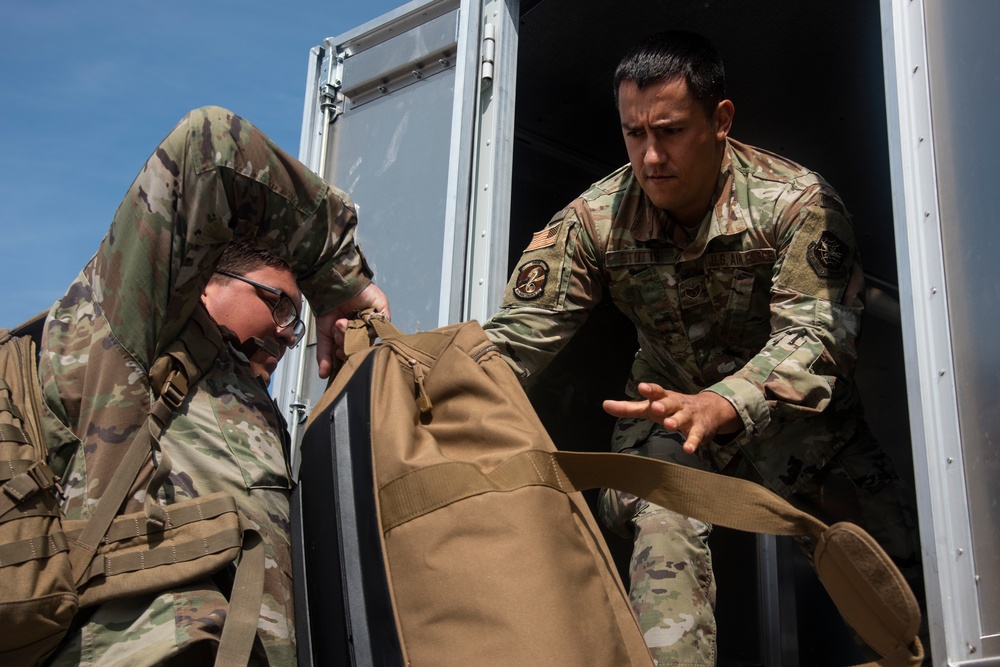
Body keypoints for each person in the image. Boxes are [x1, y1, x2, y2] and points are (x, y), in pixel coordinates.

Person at [483, 31, 924, 665]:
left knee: (894, 598)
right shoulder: (593, 220)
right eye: (634, 134)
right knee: (663, 524)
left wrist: (722, 403)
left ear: (720, 120)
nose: (651, 155)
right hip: (669, 424)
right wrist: (431, 387)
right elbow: (515, 339)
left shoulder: (796, 202)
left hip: (805, 432)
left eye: (670, 130)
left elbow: (817, 338)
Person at [40, 106, 389, 665]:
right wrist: (336, 279)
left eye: (296, 321)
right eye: (276, 303)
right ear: (200, 282)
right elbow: (208, 149)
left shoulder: (253, 411)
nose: (287, 332)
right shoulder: (128, 338)